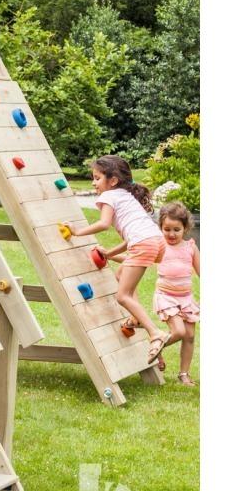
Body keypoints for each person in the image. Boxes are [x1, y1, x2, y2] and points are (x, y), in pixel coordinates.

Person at [69, 155, 168, 364]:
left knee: (122, 296)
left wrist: (78, 232)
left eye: (97, 178)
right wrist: (110, 254)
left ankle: (155, 333)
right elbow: (130, 238)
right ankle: (135, 318)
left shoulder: (109, 197)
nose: (93, 183)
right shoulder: (126, 195)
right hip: (156, 241)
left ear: (112, 181)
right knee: (121, 273)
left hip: (144, 243)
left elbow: (104, 224)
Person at [152, 202, 200, 385]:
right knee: (178, 331)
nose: (171, 234)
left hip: (186, 299)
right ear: (161, 228)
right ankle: (155, 346)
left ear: (185, 228)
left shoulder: (190, 247)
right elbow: (134, 258)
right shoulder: (159, 245)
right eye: (167, 229)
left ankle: (183, 374)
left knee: (189, 336)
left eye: (176, 229)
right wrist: (108, 254)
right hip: (166, 296)